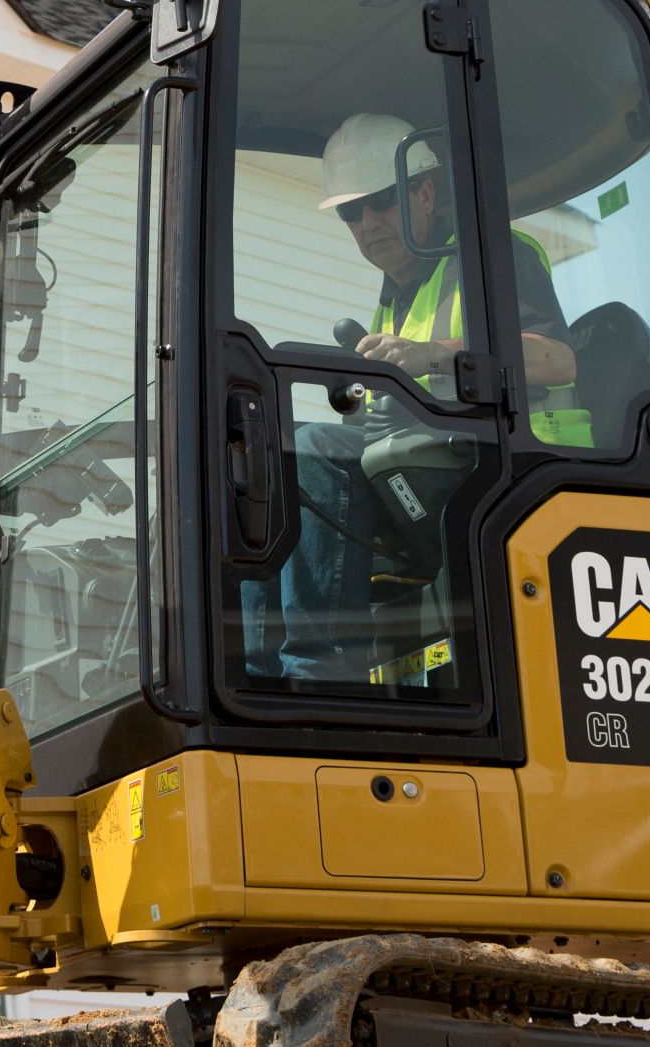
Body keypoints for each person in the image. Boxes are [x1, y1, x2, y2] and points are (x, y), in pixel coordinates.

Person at [244, 113, 585, 682]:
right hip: (427, 460)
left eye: (379, 202)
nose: (367, 222)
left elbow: (557, 358)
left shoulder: (491, 255)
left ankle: (318, 673)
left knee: (315, 448)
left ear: (424, 192)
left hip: (507, 470)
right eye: (352, 212)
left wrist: (427, 354)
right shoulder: (401, 287)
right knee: (266, 460)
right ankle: (256, 672)